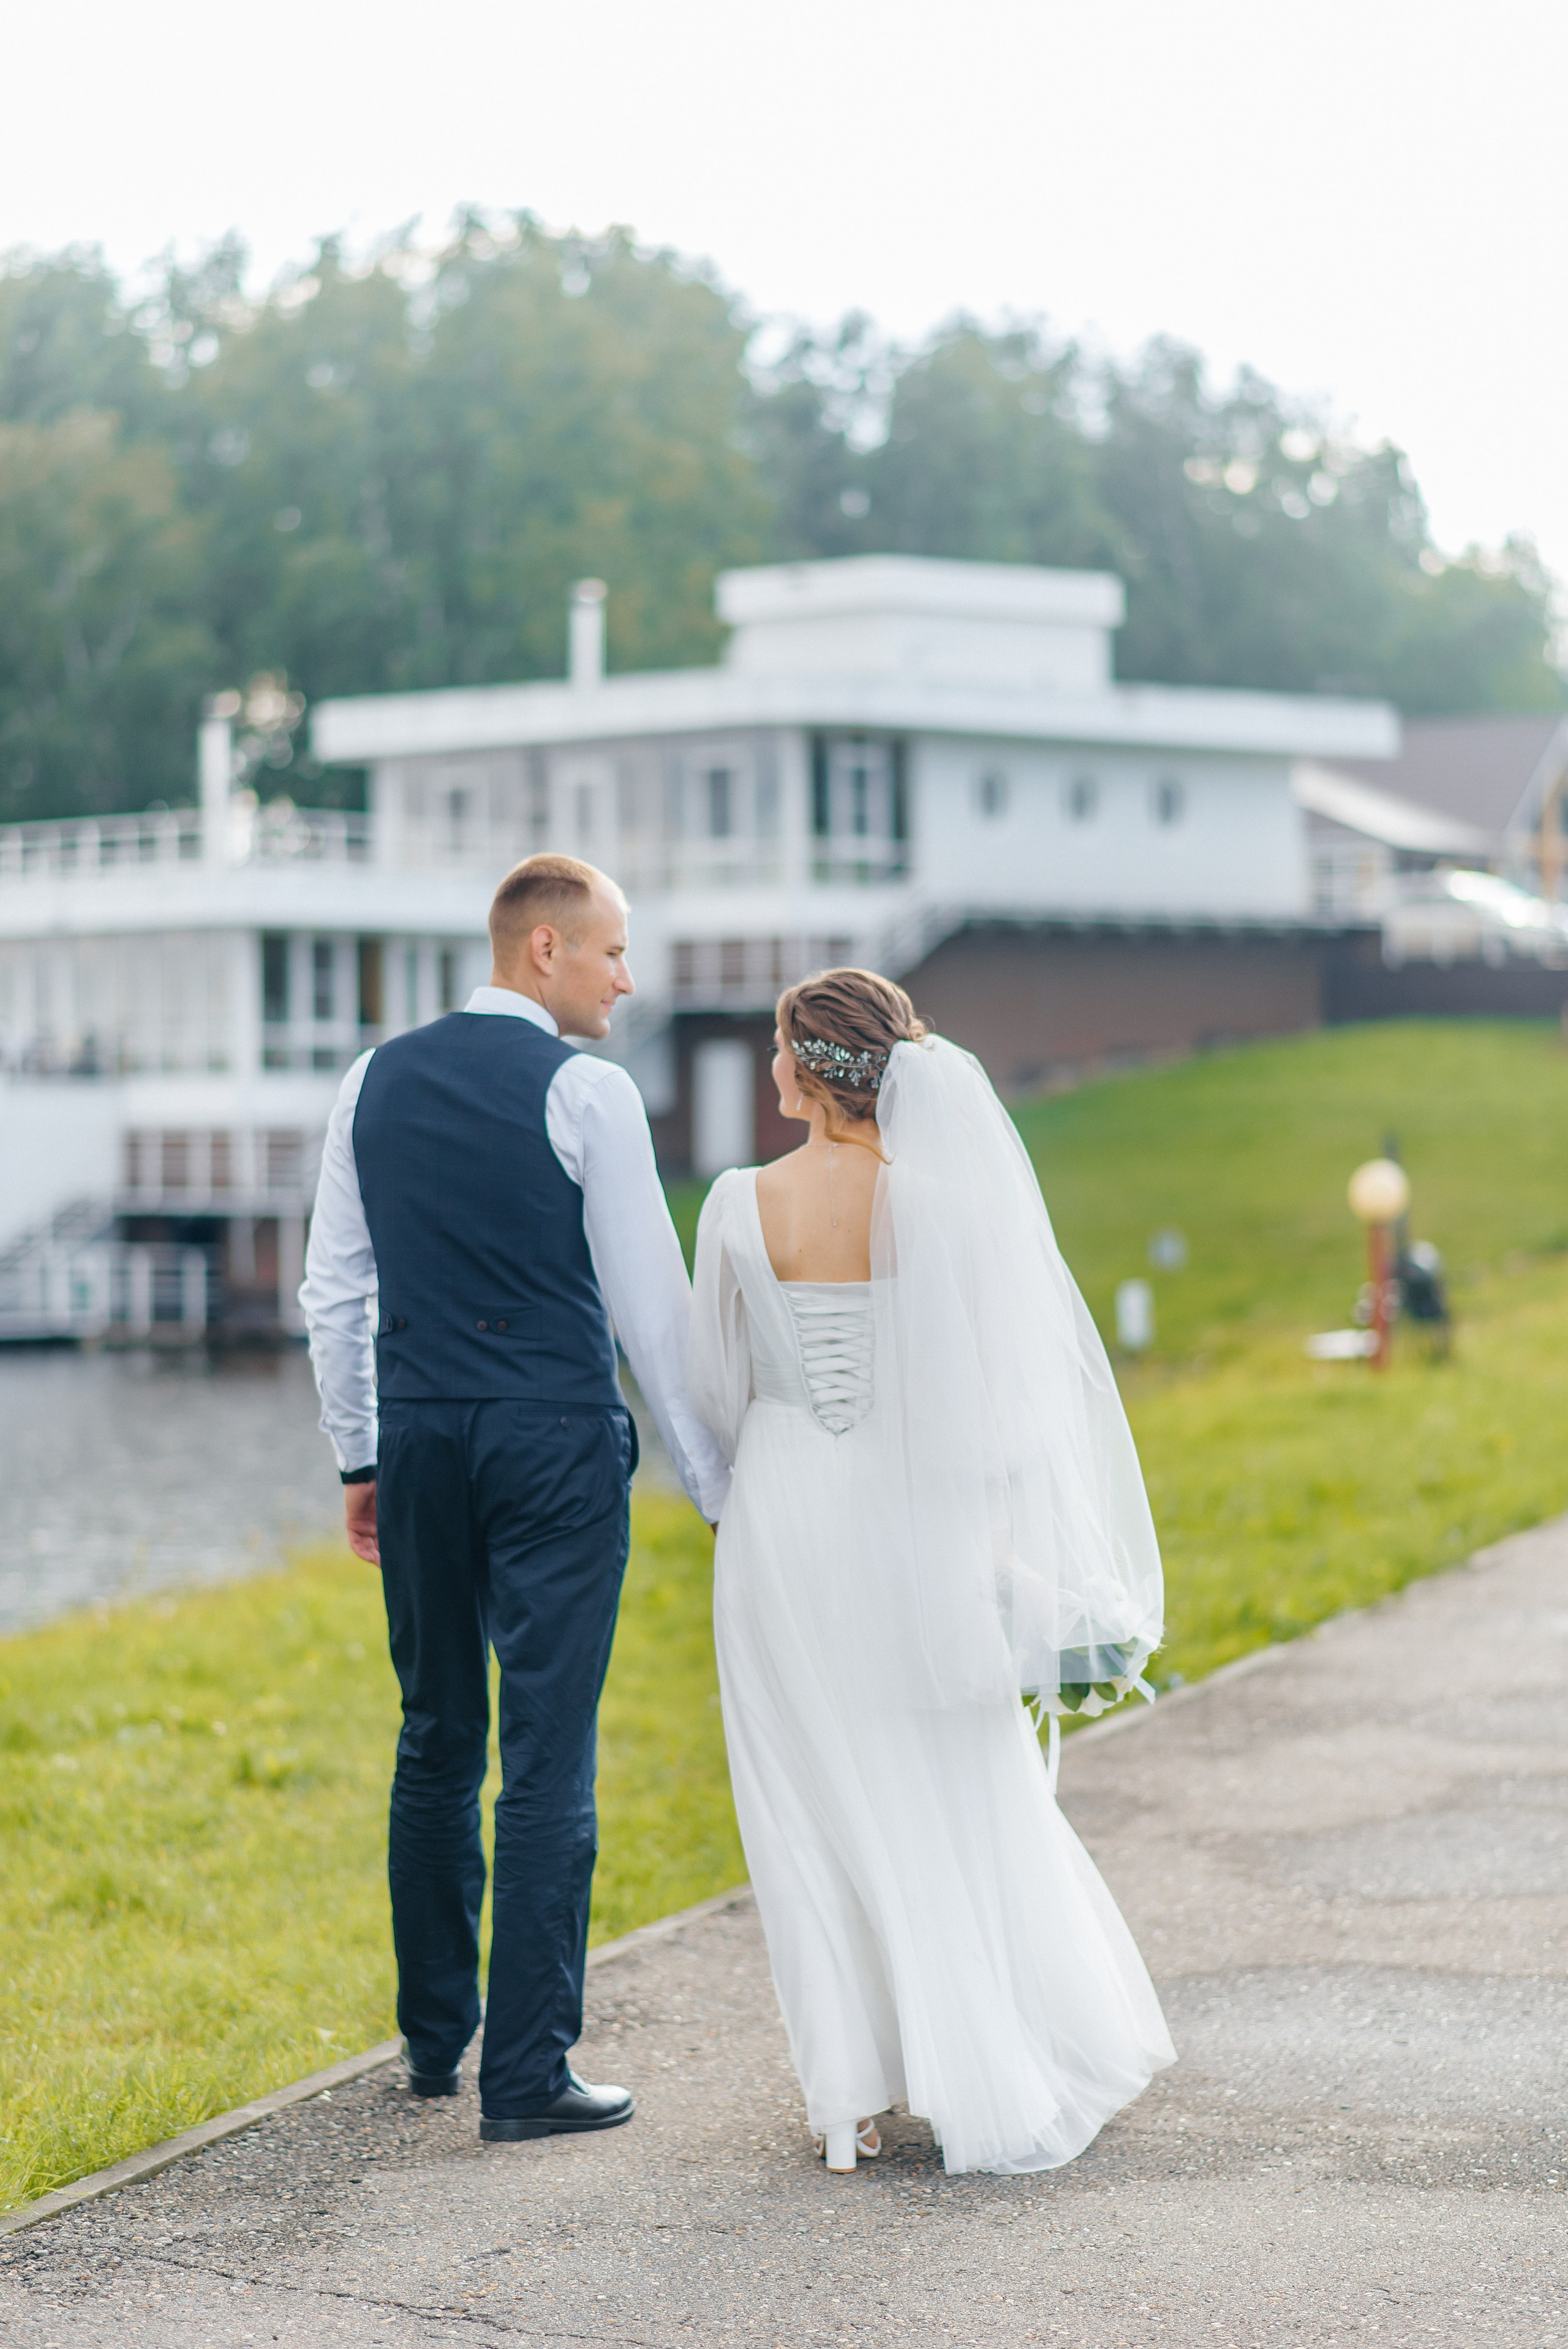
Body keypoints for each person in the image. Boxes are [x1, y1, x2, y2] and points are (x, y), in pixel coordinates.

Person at [690, 968, 1174, 2176]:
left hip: (781, 1518)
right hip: (914, 1523)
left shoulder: (735, 1205)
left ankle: (844, 2098)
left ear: (806, 1067)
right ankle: (981, 2056)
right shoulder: (950, 1206)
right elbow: (1000, 1404)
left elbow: (712, 1391)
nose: (768, 1066)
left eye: (773, 1048)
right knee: (950, 1775)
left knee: (798, 1800)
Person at [300, 853, 730, 2141]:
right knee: (545, 1754)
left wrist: (360, 1460)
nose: (624, 976)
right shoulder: (588, 1091)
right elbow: (650, 1311)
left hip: (423, 1437)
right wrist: (713, 1482)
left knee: (435, 1733)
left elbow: (335, 1293)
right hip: (549, 1437)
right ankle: (527, 2075)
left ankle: (436, 2041)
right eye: (610, 950)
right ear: (542, 950)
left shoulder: (369, 1080)